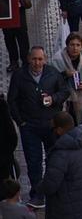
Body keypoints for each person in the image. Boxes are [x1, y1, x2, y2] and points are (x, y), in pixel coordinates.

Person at [8, 46, 70, 206]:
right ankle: (37, 194)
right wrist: (20, 121)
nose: (37, 62)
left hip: (51, 125)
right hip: (30, 126)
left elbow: (64, 91)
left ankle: (54, 190)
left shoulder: (53, 73)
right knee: (33, 161)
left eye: (40, 59)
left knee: (54, 159)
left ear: (45, 59)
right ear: (29, 59)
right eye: (34, 59)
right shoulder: (19, 76)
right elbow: (12, 100)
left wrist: (54, 99)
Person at [49, 32, 82, 131]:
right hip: (63, 101)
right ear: (67, 45)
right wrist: (64, 74)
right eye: (72, 45)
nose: (75, 48)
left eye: (78, 45)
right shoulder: (57, 60)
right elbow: (50, 80)